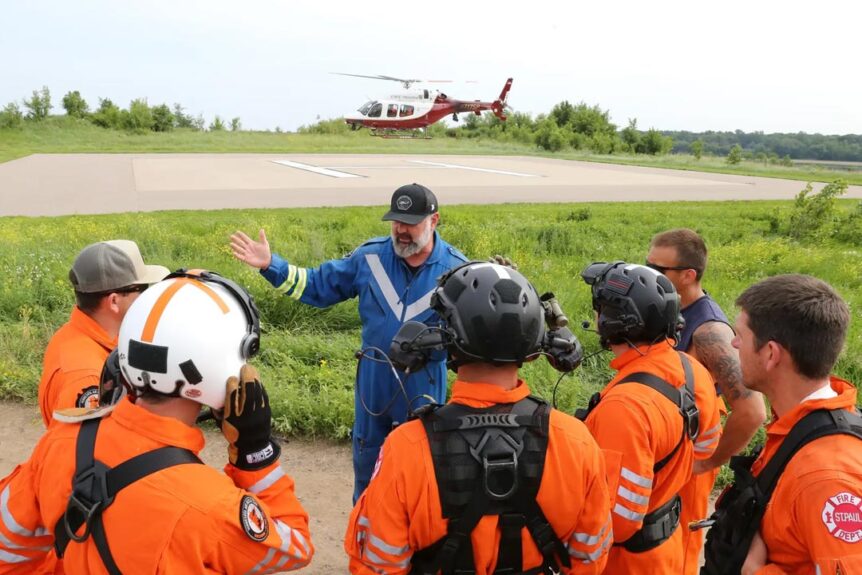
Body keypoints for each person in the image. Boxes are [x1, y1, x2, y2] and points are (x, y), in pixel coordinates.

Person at [0, 270, 313, 574]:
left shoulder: (60, 440)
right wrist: (255, 454)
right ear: (222, 366)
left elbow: (8, 545)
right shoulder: (210, 503)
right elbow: (295, 544)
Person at [344, 262, 612, 574]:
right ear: (532, 343)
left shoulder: (406, 448)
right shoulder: (577, 442)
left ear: (450, 339)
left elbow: (376, 564)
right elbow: (590, 558)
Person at [230, 183, 468, 501]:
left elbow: (470, 336)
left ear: (434, 220)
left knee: (419, 473)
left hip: (422, 390)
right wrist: (272, 264)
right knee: (368, 470)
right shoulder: (369, 257)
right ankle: (364, 539)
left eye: (410, 223)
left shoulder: (457, 270)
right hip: (373, 387)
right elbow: (318, 286)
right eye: (396, 221)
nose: (401, 230)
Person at [702, 274, 862, 575]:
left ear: (771, 354)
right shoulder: (798, 429)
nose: (734, 343)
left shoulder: (825, 476)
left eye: (741, 335)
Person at [577, 261, 722, 574]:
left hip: (629, 563)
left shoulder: (625, 408)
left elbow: (618, 521)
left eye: (599, 308)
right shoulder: (691, 368)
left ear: (612, 322)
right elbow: (707, 447)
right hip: (670, 544)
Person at [647, 228, 766, 574]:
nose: (647, 275)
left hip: (687, 463)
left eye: (658, 270)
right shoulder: (669, 310)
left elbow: (752, 409)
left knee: (678, 545)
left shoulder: (709, 330)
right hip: (665, 452)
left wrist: (710, 461)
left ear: (688, 275)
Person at [38, 240, 169, 427]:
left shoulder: (77, 334)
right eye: (142, 289)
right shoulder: (86, 378)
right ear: (114, 301)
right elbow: (81, 451)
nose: (146, 297)